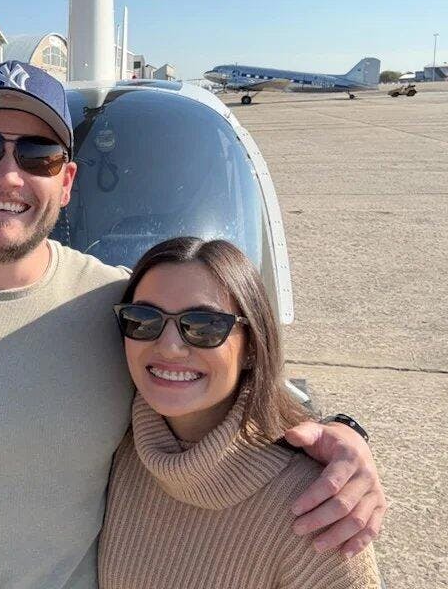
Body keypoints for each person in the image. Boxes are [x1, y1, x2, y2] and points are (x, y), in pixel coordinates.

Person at [0, 61, 386, 589]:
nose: (8, 175)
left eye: (38, 155)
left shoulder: (124, 311)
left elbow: (220, 390)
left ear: (66, 182)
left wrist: (337, 436)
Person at [99, 237, 382, 587]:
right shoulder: (108, 445)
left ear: (252, 347)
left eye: (204, 326)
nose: (169, 347)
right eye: (143, 319)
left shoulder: (317, 505)